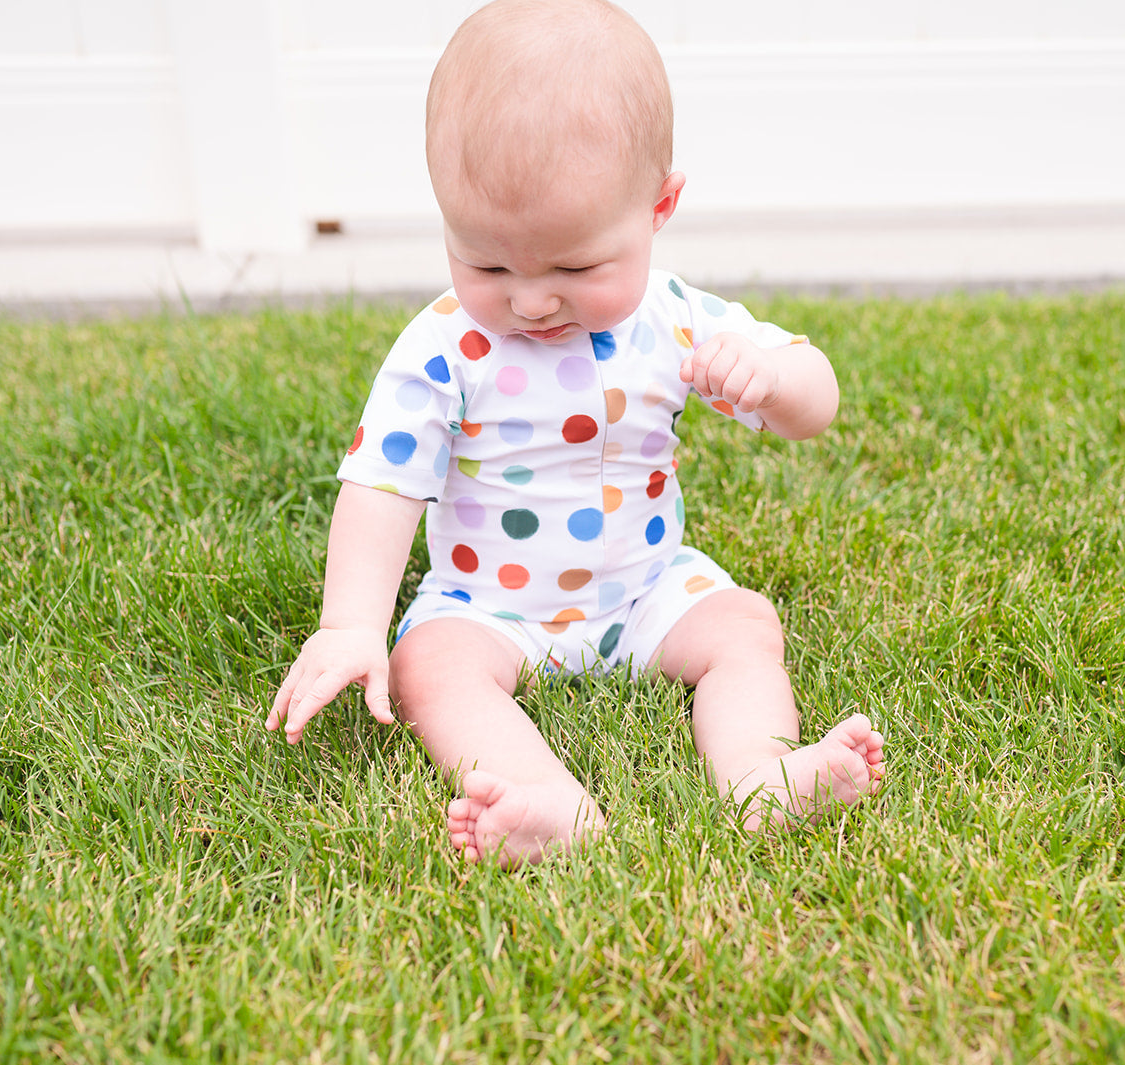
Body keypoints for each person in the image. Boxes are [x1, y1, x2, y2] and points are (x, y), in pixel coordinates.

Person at [267, 0, 884, 868]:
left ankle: (763, 776)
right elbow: (382, 482)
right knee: (429, 668)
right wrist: (351, 624)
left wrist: (771, 376)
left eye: (574, 267)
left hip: (646, 589)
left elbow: (814, 401)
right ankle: (546, 801)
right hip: (490, 607)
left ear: (659, 206)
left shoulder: (673, 321)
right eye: (485, 261)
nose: (528, 299)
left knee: (743, 625)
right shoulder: (446, 346)